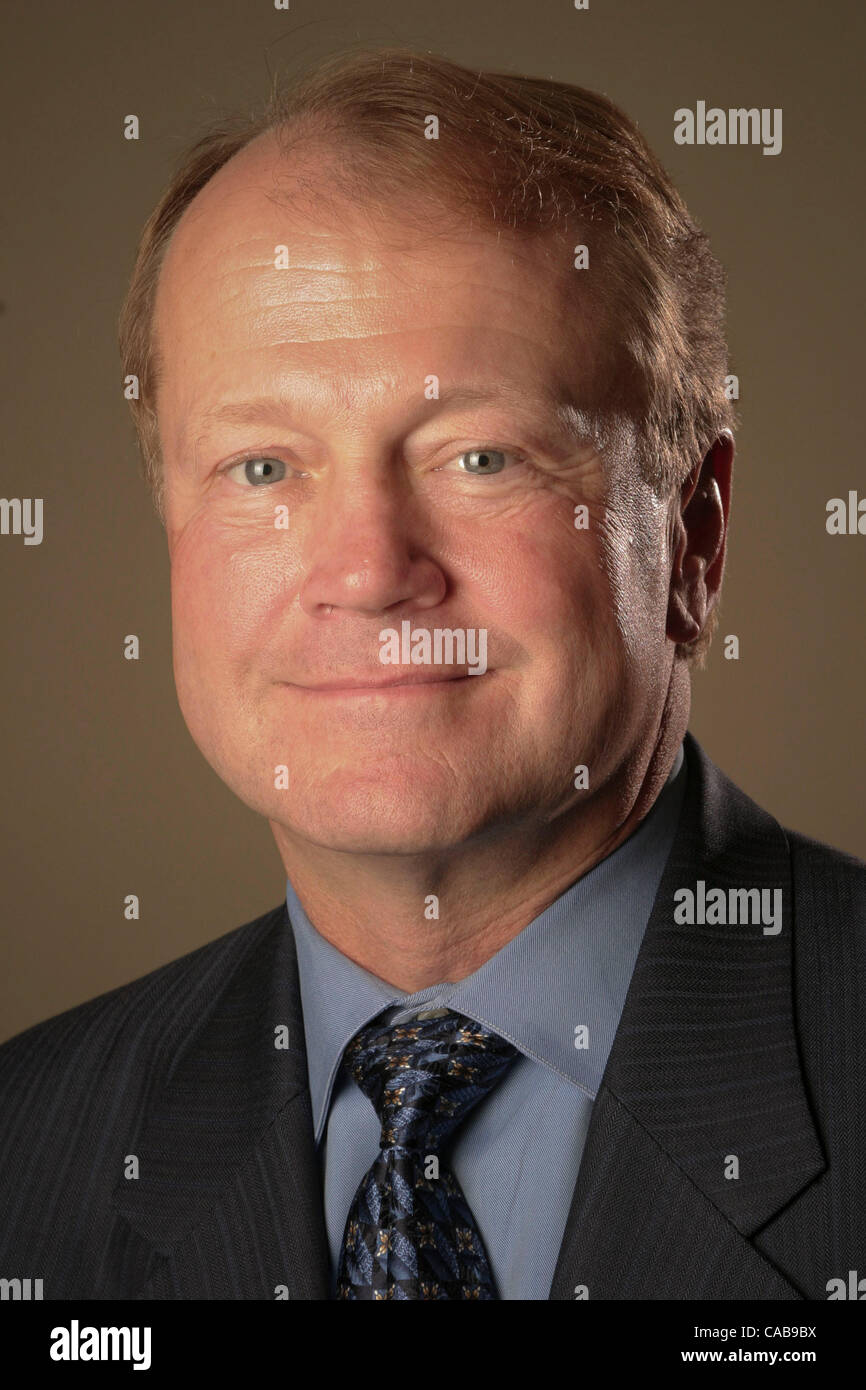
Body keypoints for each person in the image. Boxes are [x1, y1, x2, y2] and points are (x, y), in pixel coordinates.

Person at [1, 46, 863, 1302]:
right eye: (261, 468)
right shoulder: (28, 1152)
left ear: (692, 534)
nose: (365, 570)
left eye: (479, 459)